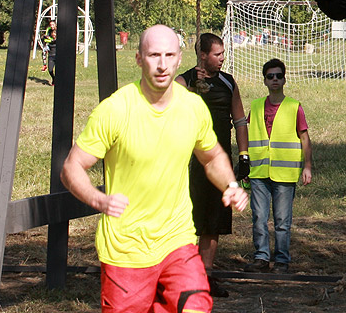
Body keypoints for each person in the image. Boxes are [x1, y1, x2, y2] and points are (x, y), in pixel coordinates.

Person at [60, 25, 248, 313]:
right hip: (126, 250)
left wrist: (231, 186)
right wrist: (98, 199)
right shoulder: (115, 109)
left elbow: (211, 157)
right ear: (138, 59)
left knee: (196, 307)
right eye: (153, 55)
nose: (162, 64)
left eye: (169, 55)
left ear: (179, 57)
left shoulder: (192, 107)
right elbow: (71, 167)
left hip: (178, 241)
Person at [176, 33, 250, 297]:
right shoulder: (184, 81)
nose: (222, 59)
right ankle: (182, 276)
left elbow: (240, 121)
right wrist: (190, 87)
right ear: (203, 55)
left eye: (222, 54)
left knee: (214, 221)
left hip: (219, 161)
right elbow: (166, 106)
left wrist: (243, 156)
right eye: (217, 54)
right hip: (189, 163)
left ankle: (205, 277)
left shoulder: (228, 83)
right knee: (187, 221)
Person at [245, 59, 311, 273]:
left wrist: (307, 166)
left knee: (282, 220)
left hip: (285, 173)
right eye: (270, 76)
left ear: (284, 79)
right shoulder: (255, 106)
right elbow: (246, 135)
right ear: (264, 80)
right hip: (259, 171)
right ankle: (261, 257)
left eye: (278, 76)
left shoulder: (294, 106)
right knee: (259, 218)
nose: (275, 79)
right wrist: (245, 163)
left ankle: (282, 260)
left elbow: (304, 137)